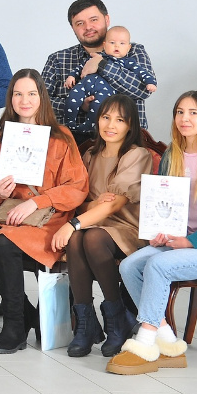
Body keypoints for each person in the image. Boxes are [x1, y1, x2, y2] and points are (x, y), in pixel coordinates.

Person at [108, 92, 197, 375]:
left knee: (158, 265)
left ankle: (145, 343)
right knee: (129, 266)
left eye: (193, 113)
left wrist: (192, 240)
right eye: (180, 112)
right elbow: (165, 205)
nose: (185, 119)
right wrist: (160, 233)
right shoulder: (172, 155)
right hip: (182, 239)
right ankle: (168, 343)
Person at [0, 71, 90, 354]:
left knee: (3, 242)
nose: (25, 100)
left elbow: (77, 186)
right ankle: (26, 314)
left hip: (50, 216)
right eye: (18, 94)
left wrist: (37, 202)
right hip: (13, 214)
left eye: (32, 94)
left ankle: (13, 326)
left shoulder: (61, 136)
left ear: (41, 97)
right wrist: (0, 193)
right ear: (10, 99)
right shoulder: (1, 139)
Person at [60, 94, 155, 358]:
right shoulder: (90, 155)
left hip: (128, 229)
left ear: (130, 125)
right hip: (93, 226)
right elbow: (80, 202)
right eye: (105, 117)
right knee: (78, 239)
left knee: (89, 237)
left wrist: (74, 223)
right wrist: (89, 208)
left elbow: (115, 205)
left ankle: (116, 317)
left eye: (120, 120)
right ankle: (86, 323)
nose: (110, 125)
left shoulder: (137, 155)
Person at [42, 0, 156, 133]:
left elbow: (143, 90)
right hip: (73, 141)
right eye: (80, 23)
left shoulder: (133, 51)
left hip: (127, 140)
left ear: (107, 19)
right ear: (72, 28)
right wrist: (78, 104)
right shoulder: (57, 59)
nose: (88, 27)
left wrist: (102, 64)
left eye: (94, 20)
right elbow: (40, 102)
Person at [64, 26, 158, 136]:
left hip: (104, 91)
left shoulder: (128, 62)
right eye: (112, 43)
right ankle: (70, 123)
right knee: (72, 98)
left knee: (99, 106)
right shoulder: (97, 56)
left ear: (128, 48)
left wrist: (150, 82)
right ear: (105, 45)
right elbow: (81, 67)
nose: (116, 46)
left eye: (122, 43)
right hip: (85, 85)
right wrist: (71, 76)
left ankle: (88, 126)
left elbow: (142, 72)